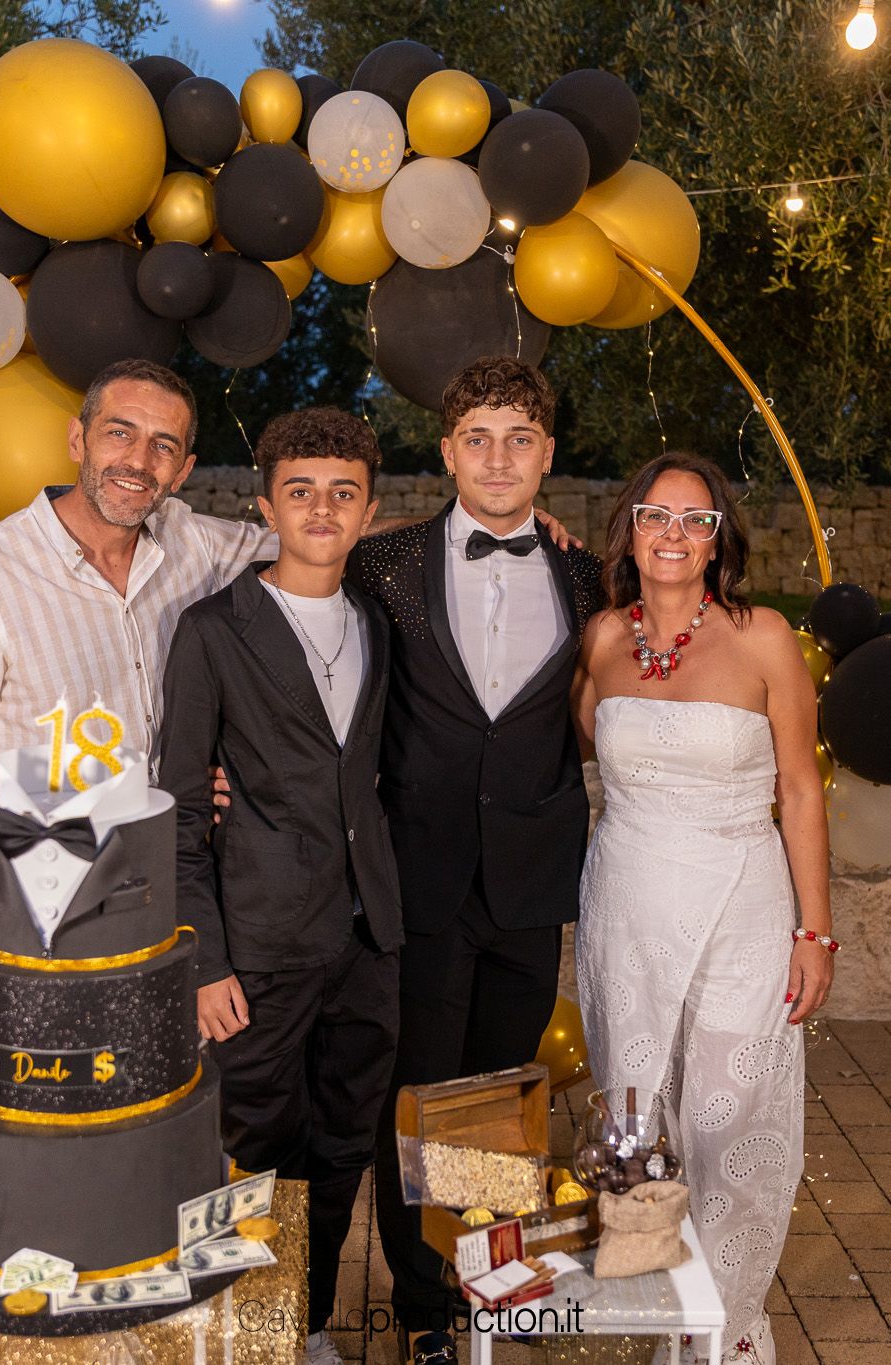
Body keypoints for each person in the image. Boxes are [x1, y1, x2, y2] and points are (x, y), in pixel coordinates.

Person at [345, 357, 605, 1365]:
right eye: (479, 440)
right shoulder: (382, 563)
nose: (499, 459)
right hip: (418, 875)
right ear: (448, 451)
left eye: (520, 439)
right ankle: (421, 1308)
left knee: (500, 1095)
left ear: (547, 454)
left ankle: (482, 1279)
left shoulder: (586, 575)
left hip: (529, 880)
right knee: (416, 1094)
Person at [0, 358, 275, 1003]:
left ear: (183, 470)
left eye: (163, 446)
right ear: (79, 439)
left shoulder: (193, 543)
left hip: (176, 884)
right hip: (46, 896)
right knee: (57, 1064)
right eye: (119, 433)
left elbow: (316, 541)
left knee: (167, 1060)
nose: (138, 461)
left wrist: (452, 530)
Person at [570, 451, 832, 1365]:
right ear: (630, 530)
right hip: (625, 907)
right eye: (657, 515)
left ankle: (720, 1333)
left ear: (719, 539)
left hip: (741, 907)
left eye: (696, 519)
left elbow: (801, 789)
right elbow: (581, 749)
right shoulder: (603, 638)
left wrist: (815, 930)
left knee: (731, 1120)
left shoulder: (764, 638)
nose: (674, 534)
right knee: (641, 1126)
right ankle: (667, 1309)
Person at [156, 408, 402, 1365]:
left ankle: (305, 1322)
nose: (322, 509)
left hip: (367, 938)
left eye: (343, 493)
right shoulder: (213, 631)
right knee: (257, 1153)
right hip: (256, 947)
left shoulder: (375, 622)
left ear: (368, 511)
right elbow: (183, 811)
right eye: (300, 491)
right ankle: (247, 1334)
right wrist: (206, 960)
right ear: (267, 506)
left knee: (344, 1147)